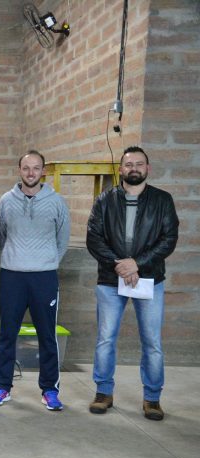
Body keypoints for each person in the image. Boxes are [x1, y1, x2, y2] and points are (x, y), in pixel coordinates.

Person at [86, 146, 179, 421]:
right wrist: (120, 264)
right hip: (110, 279)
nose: (134, 168)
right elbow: (94, 238)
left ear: (147, 168)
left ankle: (152, 398)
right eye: (128, 164)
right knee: (105, 338)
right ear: (121, 169)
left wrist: (137, 264)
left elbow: (169, 239)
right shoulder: (104, 200)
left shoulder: (162, 200)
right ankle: (103, 392)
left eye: (139, 164)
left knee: (152, 341)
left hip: (149, 278)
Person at [0, 150, 70, 411]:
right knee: (7, 334)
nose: (31, 173)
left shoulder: (56, 202)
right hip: (12, 276)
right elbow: (2, 236)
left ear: (43, 171)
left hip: (44, 277)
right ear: (19, 170)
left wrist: (45, 261)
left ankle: (50, 390)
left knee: (47, 335)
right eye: (26, 168)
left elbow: (62, 240)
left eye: (36, 168)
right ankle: (2, 387)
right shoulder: (6, 201)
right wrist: (18, 258)